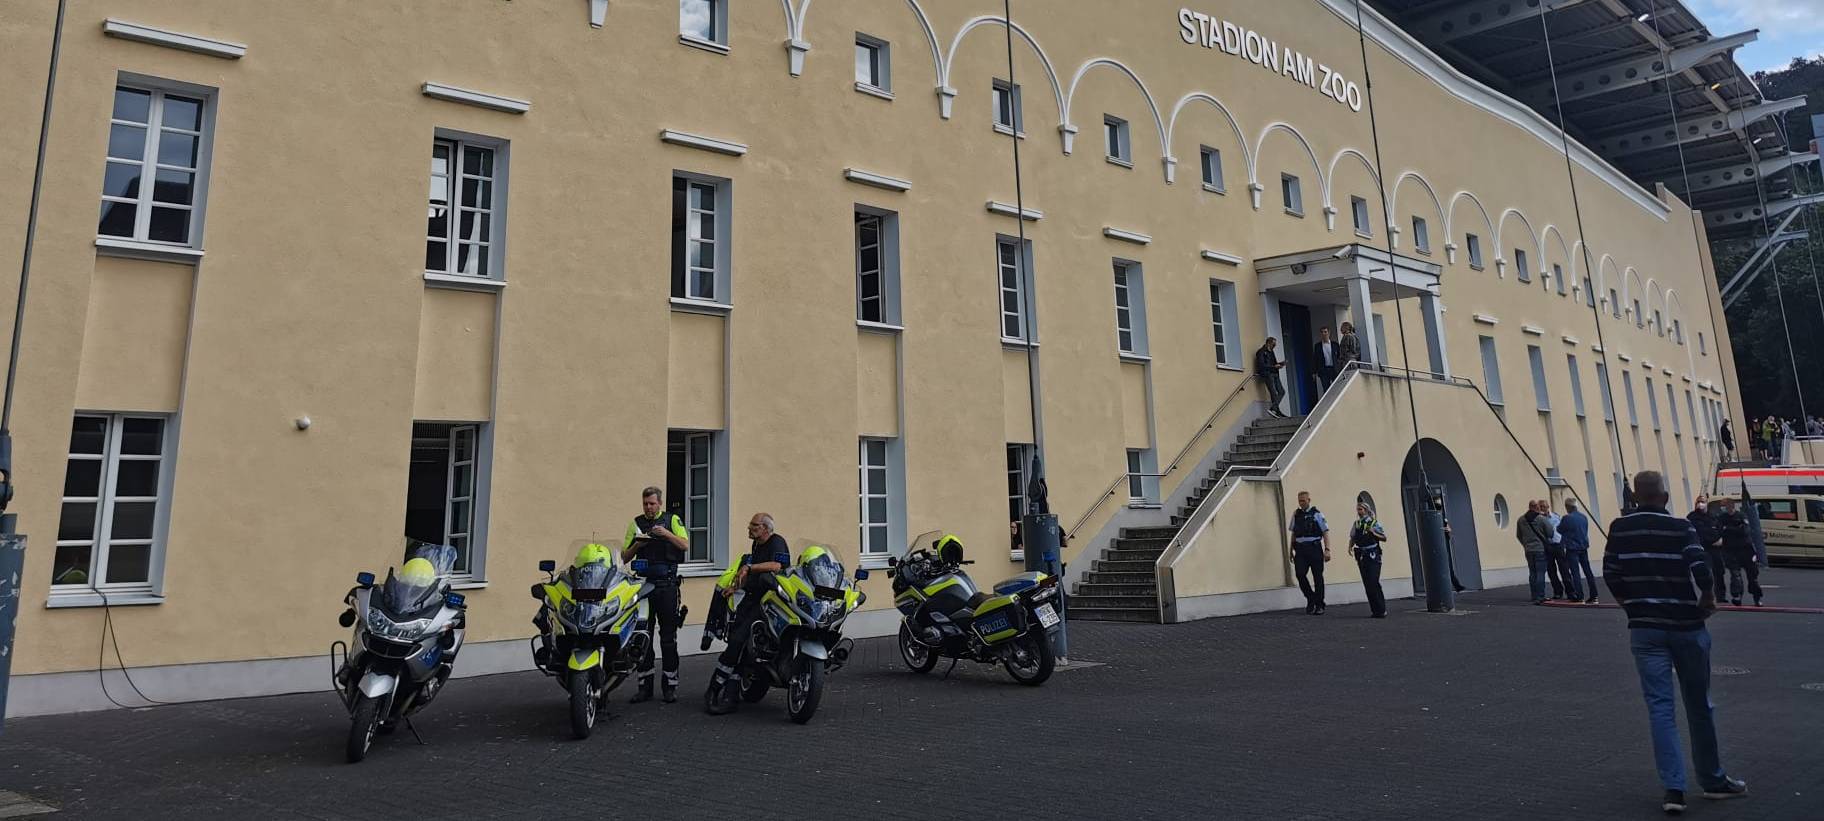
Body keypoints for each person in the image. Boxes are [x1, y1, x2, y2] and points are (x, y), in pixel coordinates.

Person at [1602, 470, 1747, 814]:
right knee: (1699, 705)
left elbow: (1611, 573)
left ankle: (1674, 790)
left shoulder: (1619, 528)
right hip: (1686, 625)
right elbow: (1699, 565)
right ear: (1664, 497)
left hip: (1645, 631)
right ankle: (1712, 780)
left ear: (1635, 497)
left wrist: (1630, 607)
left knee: (1660, 708)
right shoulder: (1682, 527)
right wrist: (1708, 596)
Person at [706, 513, 791, 715]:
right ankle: (720, 690)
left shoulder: (777, 542)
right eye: (750, 524)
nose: (749, 528)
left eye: (754, 525)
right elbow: (749, 573)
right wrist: (734, 588)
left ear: (765, 528)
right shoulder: (756, 545)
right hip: (751, 599)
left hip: (767, 602)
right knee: (737, 643)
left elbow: (778, 566)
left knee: (739, 641)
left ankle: (720, 691)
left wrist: (749, 567)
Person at [622, 486, 689, 704]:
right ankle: (644, 686)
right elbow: (623, 557)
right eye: (645, 504)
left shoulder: (673, 520)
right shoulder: (636, 523)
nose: (648, 508)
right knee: (643, 637)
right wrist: (638, 543)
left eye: (652, 503)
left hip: (667, 586)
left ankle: (670, 686)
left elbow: (685, 545)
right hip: (643, 586)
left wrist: (666, 534)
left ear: (660, 503)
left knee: (668, 638)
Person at [1287, 491, 1330, 614]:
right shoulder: (1296, 514)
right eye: (1299, 501)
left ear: (1309, 500)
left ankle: (1320, 604)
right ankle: (1311, 598)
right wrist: (1290, 550)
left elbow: (1325, 532)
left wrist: (1327, 550)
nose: (1301, 503)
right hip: (1300, 549)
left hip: (1314, 548)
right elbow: (1294, 533)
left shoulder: (1317, 514)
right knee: (1300, 574)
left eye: (1303, 500)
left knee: (1318, 577)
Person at [1716, 498, 1762, 607]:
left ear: (1732, 506)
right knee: (1735, 576)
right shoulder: (1722, 517)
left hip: (1746, 550)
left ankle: (1757, 598)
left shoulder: (1741, 516)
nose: (1727, 508)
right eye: (1725, 507)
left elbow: (1745, 531)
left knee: (1753, 577)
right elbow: (1720, 530)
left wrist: (1729, 529)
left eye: (1728, 506)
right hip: (1730, 551)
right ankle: (1737, 596)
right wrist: (1735, 528)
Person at [1349, 501, 1388, 618]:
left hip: (1373, 553)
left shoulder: (1373, 523)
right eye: (1358, 509)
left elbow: (1384, 537)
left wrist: (1374, 533)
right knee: (1367, 583)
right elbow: (1353, 537)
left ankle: (1381, 609)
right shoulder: (1356, 524)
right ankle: (1375, 610)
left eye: (1360, 509)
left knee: (1373, 581)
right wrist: (1350, 546)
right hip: (1362, 554)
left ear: (1366, 510)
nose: (1359, 512)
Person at [1689, 495, 1727, 604]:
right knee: (1706, 573)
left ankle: (1721, 596)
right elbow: (1699, 534)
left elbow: (1720, 530)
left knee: (1719, 572)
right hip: (1703, 549)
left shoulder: (1713, 517)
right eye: (1699, 502)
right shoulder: (1692, 517)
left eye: (1703, 502)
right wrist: (1712, 541)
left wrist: (1721, 540)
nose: (1701, 504)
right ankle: (1707, 595)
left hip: (1716, 550)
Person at [1559, 499, 1596, 604]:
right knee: (1588, 571)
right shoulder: (1584, 517)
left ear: (1568, 507)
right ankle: (1594, 595)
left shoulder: (1567, 518)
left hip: (1572, 548)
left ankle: (1580, 596)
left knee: (1575, 573)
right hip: (1583, 546)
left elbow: (1559, 529)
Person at [1517, 499, 1552, 604]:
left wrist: (1525, 544)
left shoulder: (1521, 520)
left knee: (1532, 572)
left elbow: (1518, 535)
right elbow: (1550, 532)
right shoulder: (1541, 519)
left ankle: (1534, 595)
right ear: (1536, 507)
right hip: (1540, 549)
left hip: (1528, 550)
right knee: (1540, 572)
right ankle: (1540, 596)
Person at [1543, 499, 1576, 601]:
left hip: (1558, 544)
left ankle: (1570, 592)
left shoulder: (1556, 516)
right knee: (1551, 571)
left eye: (1544, 507)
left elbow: (1563, 529)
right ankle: (1558, 592)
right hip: (1547, 546)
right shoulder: (1540, 519)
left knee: (1564, 569)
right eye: (1540, 508)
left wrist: (1564, 541)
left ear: (1548, 507)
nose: (1543, 509)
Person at [1255, 337, 1287, 418]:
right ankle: (1276, 411)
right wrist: (1274, 367)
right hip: (1268, 374)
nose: (1275, 346)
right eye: (1273, 344)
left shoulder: (1271, 352)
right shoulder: (1261, 352)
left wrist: (1281, 364)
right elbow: (1262, 365)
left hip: (1275, 374)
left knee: (1282, 391)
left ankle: (1274, 409)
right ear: (1268, 343)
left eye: (1275, 344)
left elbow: (1274, 363)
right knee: (1273, 393)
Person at [1312, 326, 1340, 394]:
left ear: (1329, 333)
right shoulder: (1317, 346)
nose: (1324, 334)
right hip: (1323, 370)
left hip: (1334, 369)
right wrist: (1314, 372)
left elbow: (1339, 356)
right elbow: (1315, 359)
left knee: (1337, 387)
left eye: (1325, 332)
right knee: (1326, 389)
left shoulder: (1335, 344)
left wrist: (1340, 368)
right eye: (1322, 332)